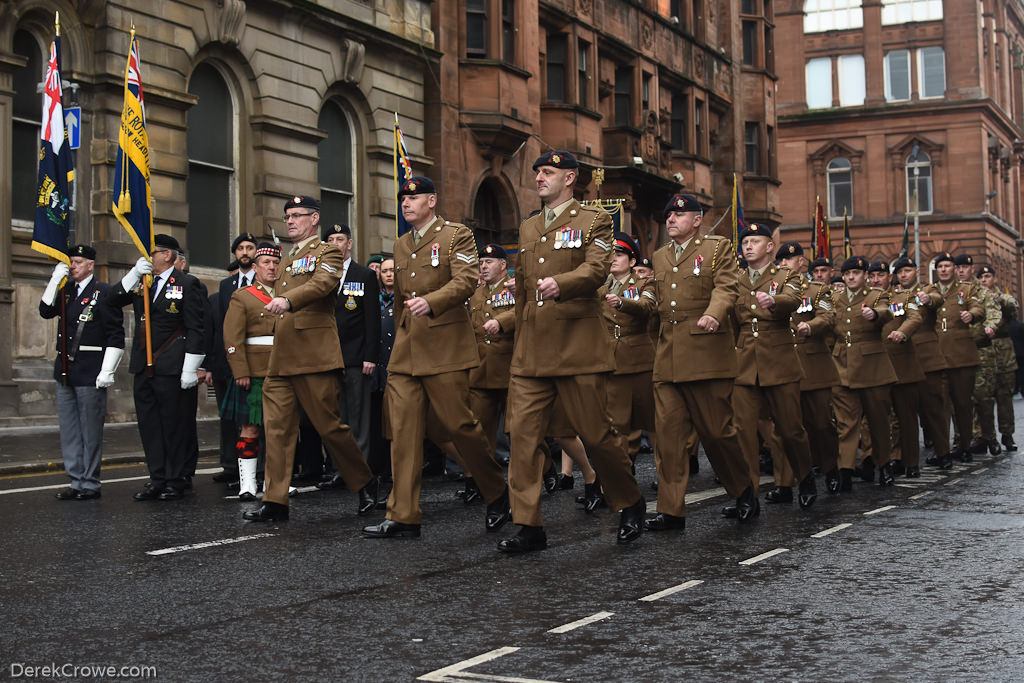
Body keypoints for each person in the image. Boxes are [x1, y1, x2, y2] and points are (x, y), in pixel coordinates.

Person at [499, 151, 646, 552]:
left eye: (547, 172)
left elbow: (597, 269)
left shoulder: (594, 220)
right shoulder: (529, 227)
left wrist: (560, 284)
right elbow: (524, 292)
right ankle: (529, 524)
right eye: (537, 173)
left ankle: (630, 501)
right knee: (524, 439)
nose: (539, 178)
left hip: (577, 348)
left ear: (570, 178)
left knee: (597, 436)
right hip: (532, 352)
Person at [361, 177, 511, 539]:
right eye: (403, 199)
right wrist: (398, 337)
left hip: (445, 347)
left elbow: (465, 281)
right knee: (404, 431)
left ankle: (497, 491)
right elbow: (399, 300)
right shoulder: (400, 244)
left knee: (460, 426)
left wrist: (433, 301)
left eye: (413, 197)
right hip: (407, 351)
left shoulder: (456, 235)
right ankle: (403, 514)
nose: (406, 203)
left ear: (433, 200)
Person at [243, 195, 378, 522]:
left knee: (330, 427)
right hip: (283, 358)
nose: (290, 220)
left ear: (314, 219)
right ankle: (275, 500)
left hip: (314, 355)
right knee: (277, 430)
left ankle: (365, 483)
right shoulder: (289, 258)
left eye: (297, 215)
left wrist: (287, 300)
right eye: (287, 215)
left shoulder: (327, 252)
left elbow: (323, 283)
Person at [645, 194, 755, 527]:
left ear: (697, 220)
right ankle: (671, 510)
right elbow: (657, 301)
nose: (671, 219)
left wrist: (714, 313)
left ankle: (743, 490)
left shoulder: (717, 248)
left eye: (679, 214)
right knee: (668, 437)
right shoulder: (660, 256)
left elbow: (726, 287)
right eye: (668, 216)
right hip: (668, 358)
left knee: (717, 433)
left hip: (707, 352)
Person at [109, 234, 205, 500]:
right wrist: (132, 274)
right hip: (144, 365)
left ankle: (176, 478)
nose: (148, 257)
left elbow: (197, 328)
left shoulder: (188, 283)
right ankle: (158, 476)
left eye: (153, 252)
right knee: (149, 425)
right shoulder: (143, 283)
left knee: (174, 425)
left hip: (173, 366)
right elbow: (112, 300)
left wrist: (191, 366)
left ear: (168, 255)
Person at [731, 225, 816, 508]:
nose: (748, 246)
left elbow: (792, 300)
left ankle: (804, 477)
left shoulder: (786, 275)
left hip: (779, 361)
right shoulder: (735, 278)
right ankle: (747, 495)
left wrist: (773, 301)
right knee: (743, 430)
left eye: (755, 241)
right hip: (745, 363)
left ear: (770, 247)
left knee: (790, 429)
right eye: (745, 242)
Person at [38, 245, 125, 500]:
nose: (73, 266)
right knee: (69, 429)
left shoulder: (104, 292)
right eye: (71, 262)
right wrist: (55, 280)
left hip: (90, 370)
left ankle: (90, 481)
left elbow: (115, 335)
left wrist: (107, 370)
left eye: (77, 262)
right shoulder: (65, 292)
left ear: (90, 265)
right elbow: (45, 311)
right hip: (65, 370)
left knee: (89, 430)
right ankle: (75, 480)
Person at [817, 256, 897, 489]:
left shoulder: (875, 295)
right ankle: (845, 470)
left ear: (865, 276)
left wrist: (875, 314)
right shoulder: (835, 298)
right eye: (847, 274)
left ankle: (884, 465)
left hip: (872, 367)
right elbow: (827, 324)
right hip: (842, 366)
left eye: (856, 273)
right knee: (846, 423)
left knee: (878, 421)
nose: (851, 277)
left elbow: (886, 311)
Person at [315, 223, 380, 487]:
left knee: (358, 418)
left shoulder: (363, 275)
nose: (335, 244)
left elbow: (372, 320)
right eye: (330, 240)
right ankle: (340, 469)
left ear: (349, 244)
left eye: (339, 239)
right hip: (328, 358)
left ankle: (360, 472)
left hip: (356, 357)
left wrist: (371, 356)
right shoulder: (321, 276)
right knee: (336, 417)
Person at [777, 241, 841, 493]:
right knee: (786, 427)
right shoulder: (771, 289)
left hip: (813, 366)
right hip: (782, 364)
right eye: (780, 261)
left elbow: (828, 316)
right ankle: (786, 482)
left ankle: (830, 466)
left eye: (789, 261)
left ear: (801, 263)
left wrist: (810, 326)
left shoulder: (816, 290)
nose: (784, 265)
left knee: (821, 423)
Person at [222, 242, 281, 500]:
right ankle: (247, 483)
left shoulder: (289, 295)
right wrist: (240, 371)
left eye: (275, 263)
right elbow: (232, 338)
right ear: (255, 268)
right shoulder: (243, 296)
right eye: (266, 263)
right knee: (250, 429)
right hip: (254, 373)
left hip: (282, 371)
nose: (272, 267)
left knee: (280, 429)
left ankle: (275, 482)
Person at [599, 232, 657, 462]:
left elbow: (647, 306)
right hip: (613, 362)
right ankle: (621, 480)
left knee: (653, 423)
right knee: (617, 425)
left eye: (620, 255)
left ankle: (667, 474)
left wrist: (623, 302)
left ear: (632, 262)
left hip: (641, 361)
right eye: (611, 254)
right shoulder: (602, 286)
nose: (613, 258)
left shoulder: (645, 282)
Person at [892, 257, 952, 471]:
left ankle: (943, 452)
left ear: (917, 272)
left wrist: (927, 299)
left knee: (934, 410)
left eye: (908, 270)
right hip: (905, 362)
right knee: (906, 415)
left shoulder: (928, 289)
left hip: (928, 360)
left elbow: (937, 298)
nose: (904, 275)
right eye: (900, 272)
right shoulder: (894, 295)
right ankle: (909, 462)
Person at [210, 232, 259, 486]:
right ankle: (232, 467)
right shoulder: (226, 286)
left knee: (254, 419)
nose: (245, 252)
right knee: (229, 419)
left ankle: (257, 472)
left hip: (255, 361)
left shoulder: (263, 282)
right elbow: (221, 327)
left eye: (250, 247)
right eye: (240, 248)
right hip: (227, 362)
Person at [930, 252, 985, 462]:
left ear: (954, 269)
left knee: (963, 404)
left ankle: (964, 445)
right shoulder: (929, 290)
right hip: (936, 355)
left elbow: (979, 307)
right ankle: (942, 450)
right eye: (940, 266)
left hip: (961, 356)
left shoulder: (967, 289)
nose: (944, 269)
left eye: (947, 266)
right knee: (939, 406)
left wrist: (971, 314)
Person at [875, 261, 926, 477]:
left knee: (906, 418)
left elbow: (915, 318)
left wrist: (902, 332)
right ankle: (893, 458)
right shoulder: (866, 301)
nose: (876, 279)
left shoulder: (904, 298)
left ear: (889, 277)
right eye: (872, 275)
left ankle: (911, 461)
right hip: (875, 368)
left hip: (902, 366)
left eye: (881, 275)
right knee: (881, 419)